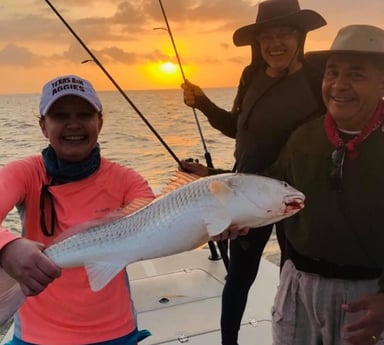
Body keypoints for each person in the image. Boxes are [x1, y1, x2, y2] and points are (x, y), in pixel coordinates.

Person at [180, 0, 326, 344]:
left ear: (301, 36)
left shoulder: (315, 83)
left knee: (296, 274)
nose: (275, 44)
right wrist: (202, 102)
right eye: (266, 37)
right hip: (245, 196)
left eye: (285, 34)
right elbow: (237, 130)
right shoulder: (252, 76)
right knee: (239, 277)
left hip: (293, 196)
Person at [0, 74, 156, 345]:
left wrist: (214, 223)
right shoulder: (24, 174)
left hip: (115, 332)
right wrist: (7, 246)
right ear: (43, 127)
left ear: (100, 122)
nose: (74, 124)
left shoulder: (127, 180)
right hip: (37, 337)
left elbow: (156, 228)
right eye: (60, 116)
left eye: (85, 114)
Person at [269, 24, 384, 345]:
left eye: (356, 75)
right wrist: (215, 188)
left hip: (367, 297)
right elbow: (270, 188)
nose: (338, 85)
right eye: (331, 73)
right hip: (297, 286)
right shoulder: (303, 136)